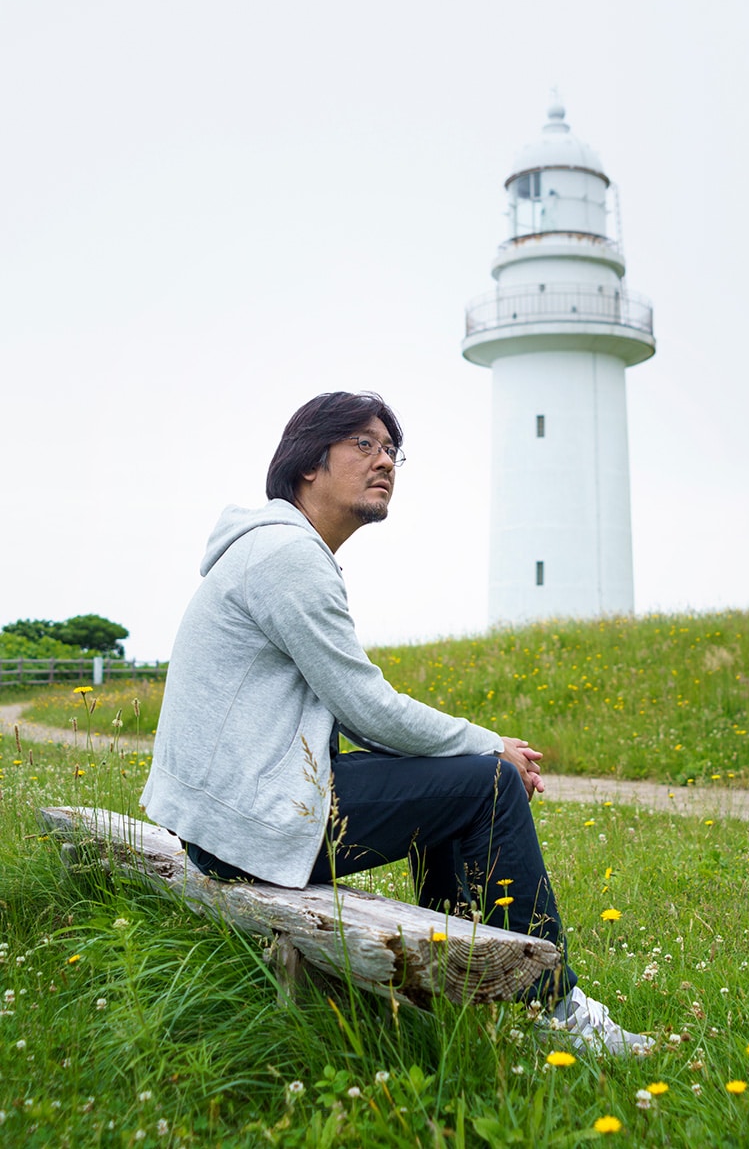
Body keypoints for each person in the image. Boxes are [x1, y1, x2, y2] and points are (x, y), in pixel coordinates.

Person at [141, 391, 653, 1055]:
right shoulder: (287, 557)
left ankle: (469, 988)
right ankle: (549, 1009)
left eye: (391, 450)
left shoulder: (277, 550)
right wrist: (493, 745)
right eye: (363, 445)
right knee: (488, 783)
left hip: (229, 821)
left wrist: (466, 754)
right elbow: (367, 708)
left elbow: (366, 720)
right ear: (307, 465)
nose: (384, 461)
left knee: (460, 783)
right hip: (247, 829)